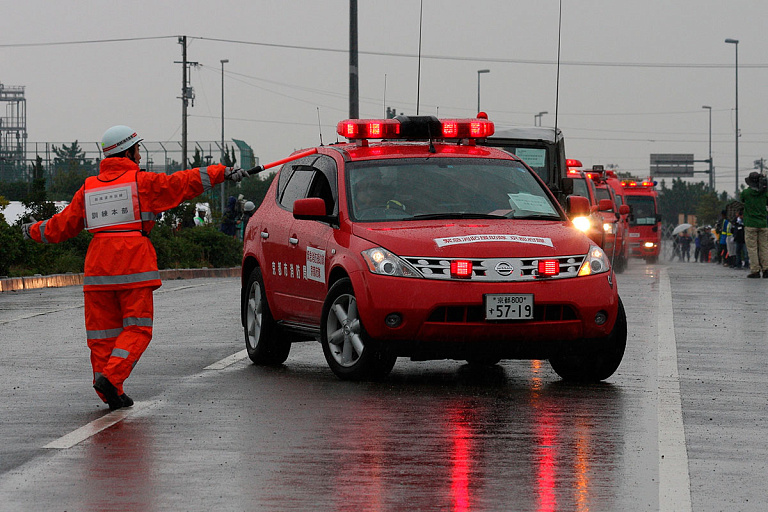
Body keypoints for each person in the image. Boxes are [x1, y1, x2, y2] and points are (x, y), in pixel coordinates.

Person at [21, 125, 249, 410]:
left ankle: (110, 391)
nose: (140, 156)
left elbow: (61, 226)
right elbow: (181, 182)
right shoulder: (142, 182)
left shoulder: (88, 188)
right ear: (127, 151)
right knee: (138, 329)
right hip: (133, 265)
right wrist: (221, 172)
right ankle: (112, 378)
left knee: (101, 337)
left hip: (98, 269)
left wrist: (32, 230)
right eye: (138, 150)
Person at [740, 171, 768, 278]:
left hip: (750, 223)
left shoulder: (746, 193)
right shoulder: (765, 193)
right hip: (763, 223)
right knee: (764, 247)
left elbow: (742, 200)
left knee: (752, 248)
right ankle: (766, 269)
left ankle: (755, 270)